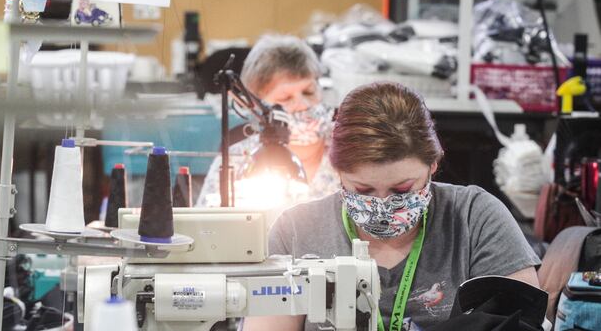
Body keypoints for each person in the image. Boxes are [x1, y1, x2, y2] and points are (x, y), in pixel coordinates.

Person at [244, 82, 541, 331]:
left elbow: (519, 321)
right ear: (336, 172)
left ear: (433, 165)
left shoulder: (475, 219)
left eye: (401, 190)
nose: (383, 206)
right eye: (363, 190)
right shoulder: (295, 232)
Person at [195, 35, 339, 208]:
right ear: (256, 108)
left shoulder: (350, 153)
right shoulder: (237, 161)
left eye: (308, 92)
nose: (302, 104)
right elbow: (206, 227)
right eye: (285, 98)